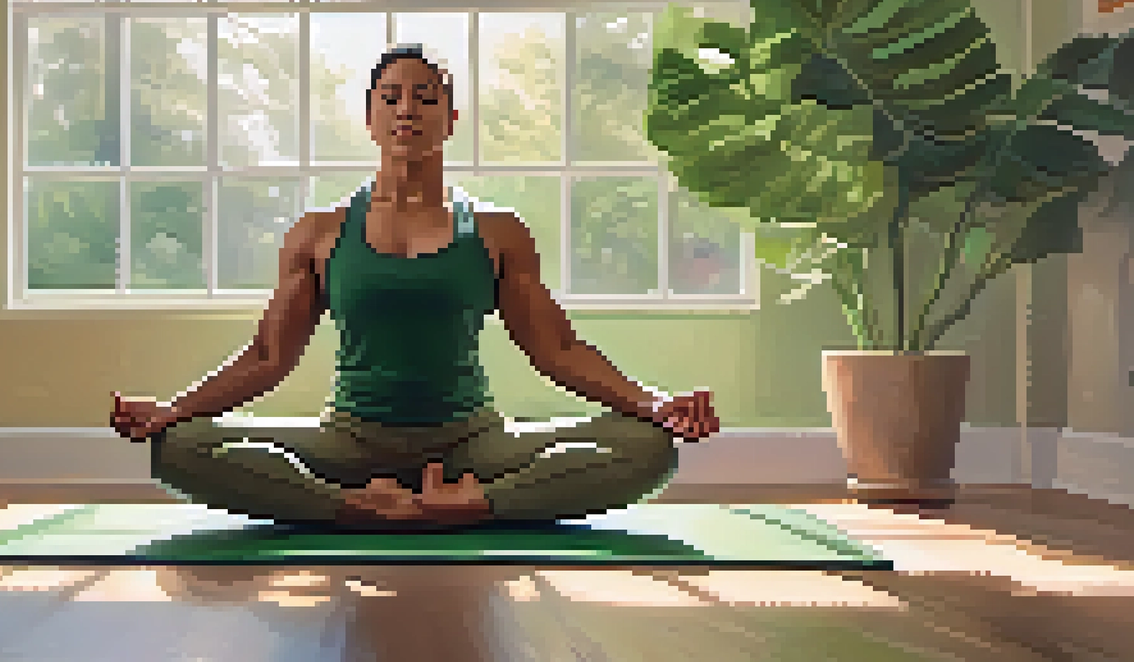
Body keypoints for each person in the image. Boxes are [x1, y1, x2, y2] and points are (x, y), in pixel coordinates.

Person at [111, 44, 720, 528]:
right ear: (371, 117)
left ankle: (469, 503)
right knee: (179, 447)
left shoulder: (497, 233)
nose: (407, 109)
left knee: (648, 449)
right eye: (392, 97)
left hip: (473, 442)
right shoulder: (319, 233)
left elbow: (557, 351)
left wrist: (654, 404)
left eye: (426, 98)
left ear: (451, 120)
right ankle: (355, 509)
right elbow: (269, 357)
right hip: (349, 441)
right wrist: (174, 410)